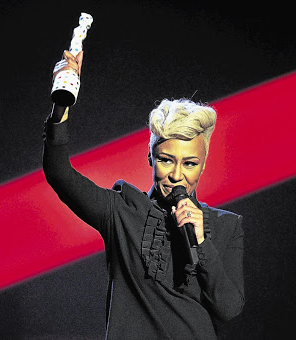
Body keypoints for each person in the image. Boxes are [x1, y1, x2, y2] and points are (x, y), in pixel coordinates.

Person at [43, 50, 244, 339]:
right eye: (166, 160)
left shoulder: (226, 225)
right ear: (150, 158)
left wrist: (201, 241)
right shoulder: (122, 212)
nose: (177, 175)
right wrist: (61, 104)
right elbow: (59, 173)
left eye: (189, 163)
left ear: (203, 164)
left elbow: (229, 309)